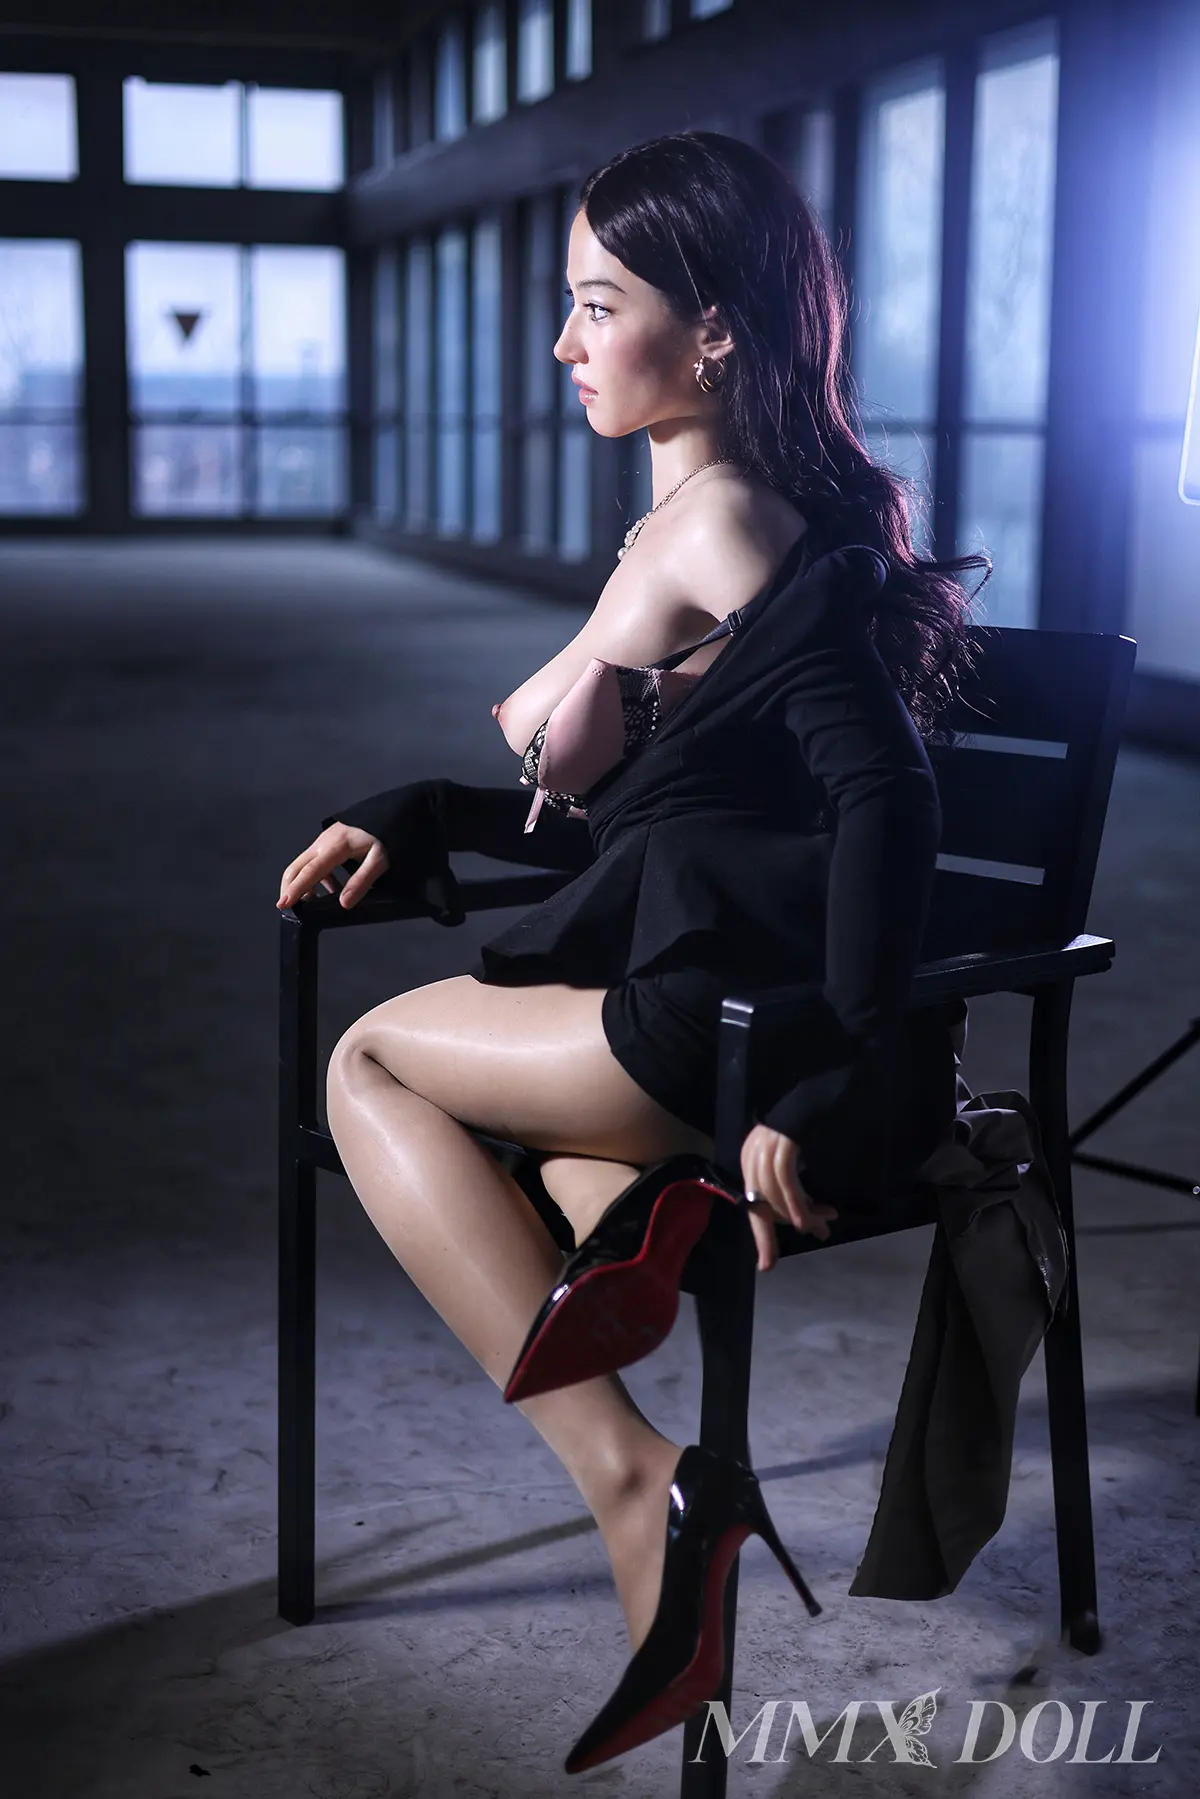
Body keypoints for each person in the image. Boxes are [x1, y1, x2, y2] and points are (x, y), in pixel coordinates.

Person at [276, 131, 989, 1773]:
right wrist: (426, 817)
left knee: (371, 1063)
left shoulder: (724, 521)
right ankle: (635, 1223)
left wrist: (819, 1068)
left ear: (715, 329)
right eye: (572, 303)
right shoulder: (697, 514)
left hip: (720, 1027)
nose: (566, 342)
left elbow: (886, 793)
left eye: (601, 305)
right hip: (702, 991)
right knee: (514, 1130)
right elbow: (654, 810)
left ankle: (635, 1480)